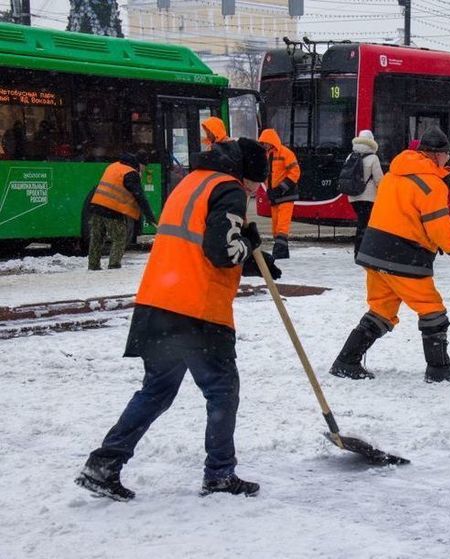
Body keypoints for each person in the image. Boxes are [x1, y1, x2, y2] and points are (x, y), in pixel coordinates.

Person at [75, 137, 282, 501]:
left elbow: (196, 244)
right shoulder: (228, 189)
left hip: (158, 302)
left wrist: (246, 251)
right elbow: (222, 252)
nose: (254, 191)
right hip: (198, 311)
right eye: (256, 183)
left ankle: (104, 464)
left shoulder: (191, 182)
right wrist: (248, 244)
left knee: (156, 391)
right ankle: (219, 474)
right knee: (222, 391)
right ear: (246, 174)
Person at [329, 126, 450, 384]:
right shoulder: (431, 183)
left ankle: (346, 361)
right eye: (446, 154)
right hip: (403, 256)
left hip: (374, 252)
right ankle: (439, 369)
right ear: (437, 155)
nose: (447, 159)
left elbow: (405, 217)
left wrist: (430, 239)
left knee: (381, 311)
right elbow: (440, 227)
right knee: (432, 310)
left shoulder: (395, 175)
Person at [87, 151, 157, 270]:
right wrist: (150, 217)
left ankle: (93, 265)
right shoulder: (131, 173)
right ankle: (114, 265)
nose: (143, 171)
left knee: (97, 238)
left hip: (96, 206)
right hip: (112, 210)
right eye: (144, 167)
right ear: (139, 164)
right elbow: (140, 196)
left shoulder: (113, 166)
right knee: (119, 238)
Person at [258, 128, 300, 259]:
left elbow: (295, 172)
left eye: (265, 142)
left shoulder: (285, 153)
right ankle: (281, 251)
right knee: (276, 225)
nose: (264, 145)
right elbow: (267, 175)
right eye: (263, 142)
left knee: (282, 225)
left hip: (286, 195)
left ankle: (280, 251)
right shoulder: (267, 155)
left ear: (271, 141)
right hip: (276, 195)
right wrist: (269, 190)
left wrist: (281, 188)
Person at [347, 130, 383, 257]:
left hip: (353, 196)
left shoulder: (350, 156)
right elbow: (379, 179)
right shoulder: (373, 158)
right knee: (366, 224)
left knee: (361, 222)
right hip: (368, 197)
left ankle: (359, 250)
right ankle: (362, 251)